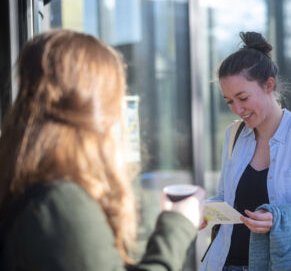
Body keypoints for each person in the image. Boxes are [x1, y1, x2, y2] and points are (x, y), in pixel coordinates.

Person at [0, 29, 205, 271]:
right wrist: (178, 225)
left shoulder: (29, 188)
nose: (121, 111)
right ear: (95, 108)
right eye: (117, 96)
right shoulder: (62, 202)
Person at [200, 32, 291, 271]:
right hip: (225, 264)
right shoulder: (232, 134)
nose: (237, 109)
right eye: (229, 101)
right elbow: (225, 199)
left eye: (243, 98)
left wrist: (279, 218)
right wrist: (203, 210)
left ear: (269, 85)